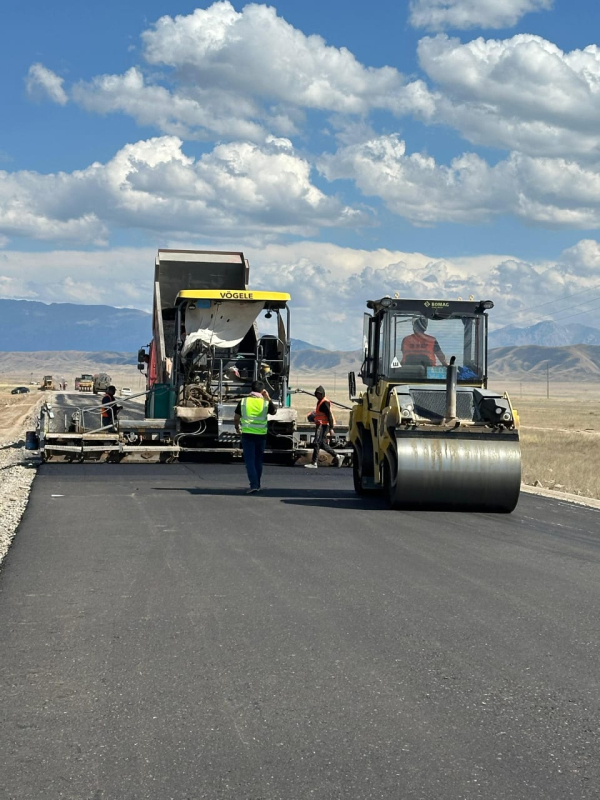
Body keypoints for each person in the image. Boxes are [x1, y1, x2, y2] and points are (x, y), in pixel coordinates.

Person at [234, 380, 276, 494]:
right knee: (258, 460)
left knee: (250, 461)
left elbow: (236, 417)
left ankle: (254, 484)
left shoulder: (243, 402)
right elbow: (274, 412)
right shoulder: (265, 403)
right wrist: (268, 398)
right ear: (262, 391)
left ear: (250, 390)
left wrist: (237, 427)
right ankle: (257, 483)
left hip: (247, 434)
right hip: (261, 435)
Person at [305, 386, 342, 469]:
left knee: (317, 442)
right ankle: (337, 456)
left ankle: (314, 462)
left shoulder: (324, 403)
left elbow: (329, 415)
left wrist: (331, 428)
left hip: (324, 425)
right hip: (321, 425)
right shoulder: (320, 402)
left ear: (322, 394)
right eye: (317, 394)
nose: (317, 395)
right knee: (322, 444)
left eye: (319, 394)